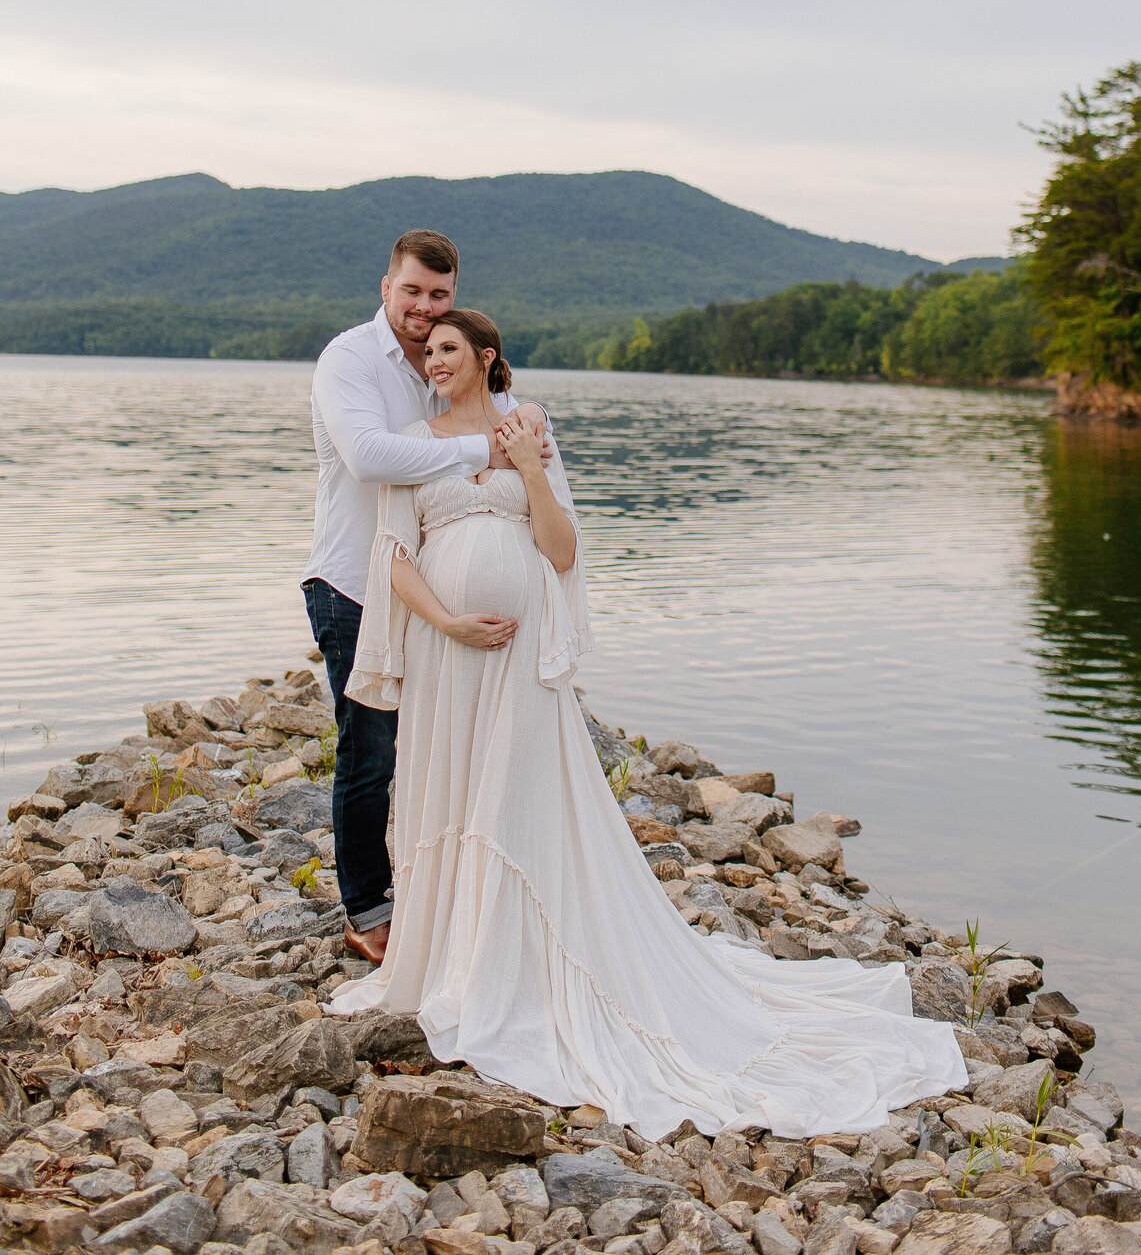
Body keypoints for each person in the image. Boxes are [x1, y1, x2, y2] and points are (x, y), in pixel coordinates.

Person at [327, 308, 968, 1138]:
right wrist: (447, 623)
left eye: (450, 349)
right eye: (428, 351)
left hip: (520, 662)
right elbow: (393, 558)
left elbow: (560, 552)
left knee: (518, 797)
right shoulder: (417, 443)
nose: (434, 361)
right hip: (451, 654)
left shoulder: (530, 432)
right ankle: (457, 955)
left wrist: (527, 465)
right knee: (450, 793)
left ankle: (523, 959)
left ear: (487, 357)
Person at [301, 230, 543, 967]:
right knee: (370, 751)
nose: (424, 307)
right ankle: (370, 907)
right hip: (353, 584)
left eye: (439, 296)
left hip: (438, 603)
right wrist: (484, 453)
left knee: (443, 743)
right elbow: (371, 456)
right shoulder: (349, 360)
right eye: (412, 291)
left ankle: (454, 893)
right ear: (386, 288)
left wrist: (519, 439)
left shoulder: (445, 361)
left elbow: (507, 437)